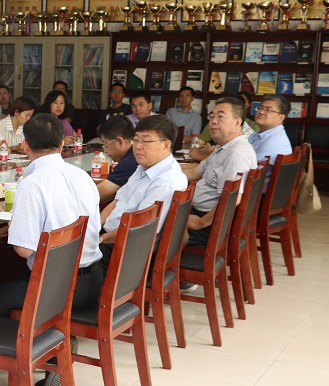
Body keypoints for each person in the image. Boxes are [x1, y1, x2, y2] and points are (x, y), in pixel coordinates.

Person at [0, 114, 103, 386]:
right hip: (92, 282)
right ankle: (55, 341)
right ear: (62, 144)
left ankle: (46, 349)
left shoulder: (33, 183)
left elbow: (23, 250)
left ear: (25, 145)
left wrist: (16, 225)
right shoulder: (81, 175)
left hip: (54, 291)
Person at [99, 116, 188, 268]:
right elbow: (117, 201)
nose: (138, 146)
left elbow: (137, 229)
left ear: (166, 145)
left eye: (145, 141)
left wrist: (100, 240)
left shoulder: (167, 181)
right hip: (111, 237)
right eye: (136, 140)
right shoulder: (144, 167)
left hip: (127, 251)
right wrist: (95, 229)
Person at [183, 97, 258, 246]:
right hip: (200, 212)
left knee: (153, 228)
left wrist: (201, 222)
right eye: (212, 117)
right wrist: (163, 169)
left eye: (220, 117)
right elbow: (196, 172)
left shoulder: (236, 153)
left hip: (210, 225)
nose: (213, 121)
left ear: (237, 122)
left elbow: (232, 198)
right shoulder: (223, 147)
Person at [97, 116, 139, 201]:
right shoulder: (134, 153)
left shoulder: (130, 161)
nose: (105, 150)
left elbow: (96, 194)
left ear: (120, 141)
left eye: (105, 144)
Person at [249, 94, 293, 167]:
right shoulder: (258, 134)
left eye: (268, 110)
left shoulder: (275, 140)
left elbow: (252, 168)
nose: (261, 112)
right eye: (260, 108)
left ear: (281, 117)